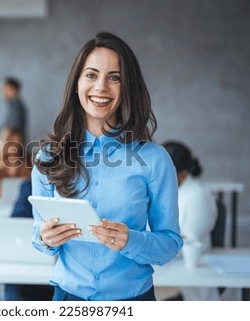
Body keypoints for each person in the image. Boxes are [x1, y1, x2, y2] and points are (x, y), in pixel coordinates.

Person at [31, 31, 183, 301]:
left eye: (114, 77)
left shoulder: (154, 159)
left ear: (127, 88)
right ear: (76, 83)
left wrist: (131, 240)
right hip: (67, 299)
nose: (101, 87)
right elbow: (39, 236)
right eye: (91, 75)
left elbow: (170, 243)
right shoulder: (48, 157)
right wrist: (46, 239)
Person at [163, 141, 219, 301]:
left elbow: (189, 239)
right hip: (162, 269)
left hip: (185, 277)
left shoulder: (198, 195)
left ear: (183, 174)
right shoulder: (165, 192)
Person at [3, 155, 54, 301]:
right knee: (15, 287)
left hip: (62, 264)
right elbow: (15, 224)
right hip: (31, 253)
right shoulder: (28, 186)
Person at [0, 77, 28, 142]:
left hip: (13, 146)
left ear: (12, 89)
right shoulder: (14, 105)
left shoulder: (16, 106)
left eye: (4, 89)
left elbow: (12, 128)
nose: (2, 92)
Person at [0, 127, 28, 198]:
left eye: (18, 143)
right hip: (0, 202)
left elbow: (27, 185)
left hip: (21, 200)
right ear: (5, 142)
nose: (15, 146)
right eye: (11, 143)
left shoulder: (26, 163)